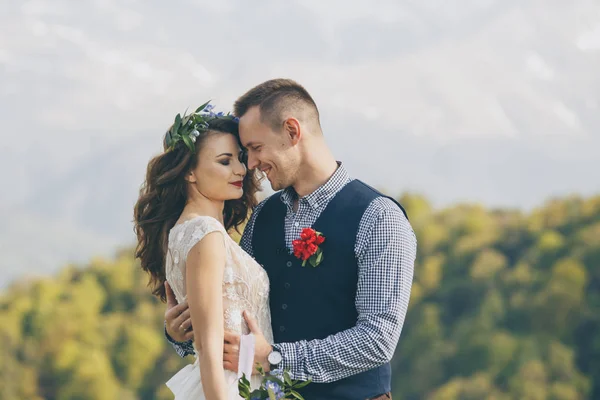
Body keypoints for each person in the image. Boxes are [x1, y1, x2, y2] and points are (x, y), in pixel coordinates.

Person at [165, 79, 417, 400]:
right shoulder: (263, 216)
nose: (250, 164)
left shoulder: (379, 217)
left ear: (292, 132)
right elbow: (239, 315)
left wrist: (275, 359)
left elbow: (378, 338)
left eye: (256, 148)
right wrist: (180, 336)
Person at [134, 105, 273, 399]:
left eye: (240, 158)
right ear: (189, 172)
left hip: (244, 381)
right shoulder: (206, 234)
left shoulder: (185, 232)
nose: (240, 169)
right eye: (225, 161)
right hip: (228, 388)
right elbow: (208, 346)